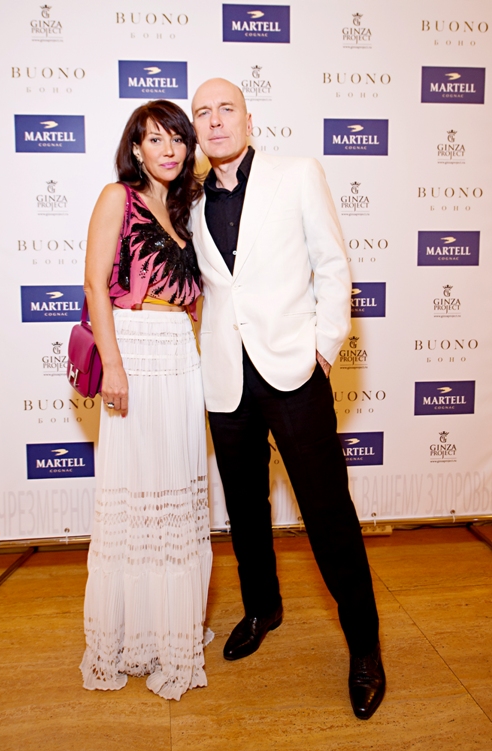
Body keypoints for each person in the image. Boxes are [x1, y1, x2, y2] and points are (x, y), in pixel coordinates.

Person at [190, 78, 385, 719]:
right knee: (245, 509)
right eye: (203, 113)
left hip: (294, 372)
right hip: (227, 378)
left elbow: (333, 265)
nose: (215, 121)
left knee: (328, 513)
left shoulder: (297, 173)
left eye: (226, 109)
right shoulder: (189, 199)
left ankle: (364, 646)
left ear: (249, 119)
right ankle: (262, 608)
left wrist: (322, 348)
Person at [79, 100, 213, 701]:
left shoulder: (186, 209)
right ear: (135, 148)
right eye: (154, 139)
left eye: (176, 139)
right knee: (135, 494)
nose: (168, 149)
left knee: (176, 491)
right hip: (133, 349)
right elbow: (95, 282)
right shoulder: (119, 197)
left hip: (180, 352)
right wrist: (113, 364)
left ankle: (170, 631)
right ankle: (128, 634)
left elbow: (198, 296)